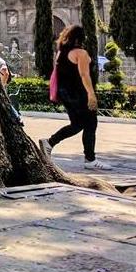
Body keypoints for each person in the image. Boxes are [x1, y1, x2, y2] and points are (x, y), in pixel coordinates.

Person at [39, 25, 112, 171]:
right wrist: (91, 94)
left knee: (77, 124)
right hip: (79, 93)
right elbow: (84, 75)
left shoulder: (61, 53)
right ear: (81, 38)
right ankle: (90, 160)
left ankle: (50, 142)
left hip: (65, 94)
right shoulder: (81, 53)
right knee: (91, 123)